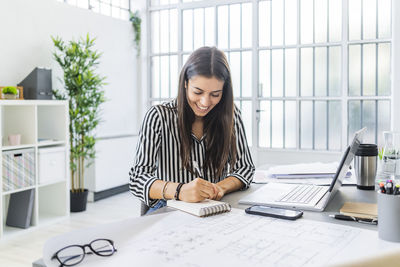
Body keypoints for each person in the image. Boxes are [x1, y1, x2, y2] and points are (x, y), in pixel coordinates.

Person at [129, 46, 255, 214]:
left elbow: (245, 168)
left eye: (215, 94)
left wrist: (219, 188)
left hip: (213, 207)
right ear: (186, 83)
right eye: (198, 92)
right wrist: (179, 191)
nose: (205, 102)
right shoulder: (158, 116)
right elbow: (138, 178)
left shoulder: (231, 115)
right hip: (169, 206)